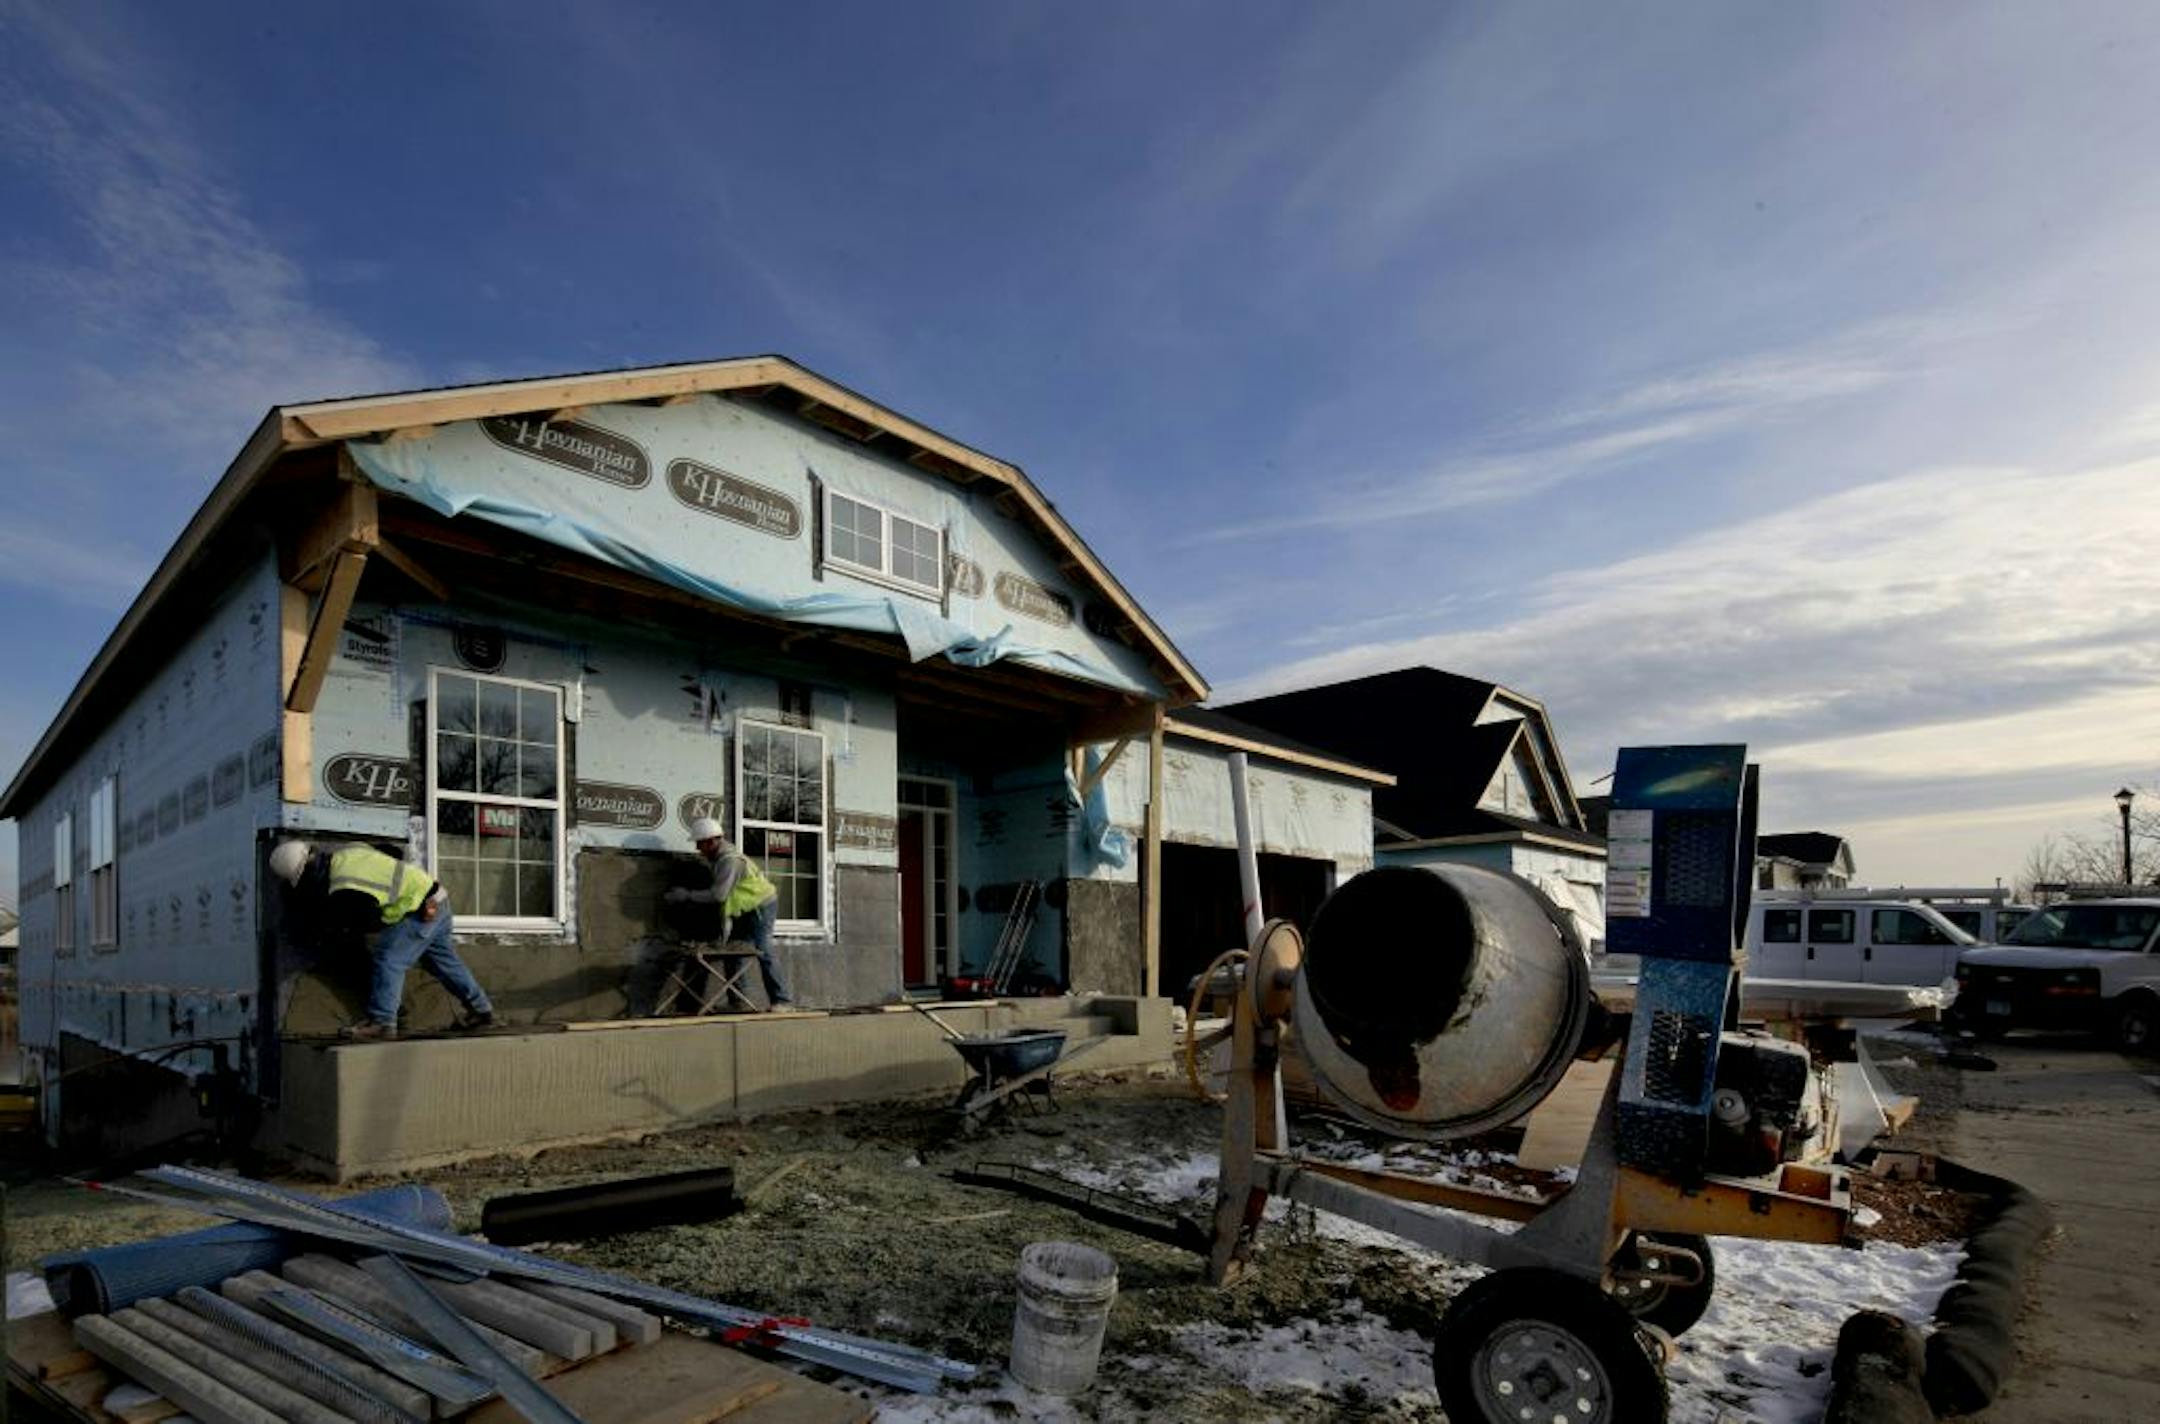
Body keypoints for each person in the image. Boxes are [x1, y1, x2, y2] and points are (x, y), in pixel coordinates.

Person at [269, 839, 495, 1040]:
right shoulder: (350, 852)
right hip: (437, 899)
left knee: (388, 959)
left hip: (419, 908)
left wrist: (338, 929)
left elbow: (370, 918)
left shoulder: (345, 885)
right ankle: (482, 1010)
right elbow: (392, 851)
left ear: (308, 870)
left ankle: (382, 1022)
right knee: (444, 962)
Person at [666, 817, 792, 1008]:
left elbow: (718, 895)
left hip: (760, 908)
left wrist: (685, 895)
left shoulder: (728, 861)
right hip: (745, 909)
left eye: (700, 844)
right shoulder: (719, 858)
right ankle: (738, 1002)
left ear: (711, 841)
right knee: (734, 952)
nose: (698, 850)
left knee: (764, 951)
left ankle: (782, 1001)